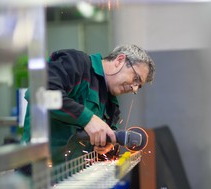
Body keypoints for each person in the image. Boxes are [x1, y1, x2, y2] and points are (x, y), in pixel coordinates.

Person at [22, 44, 155, 166]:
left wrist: (105, 147)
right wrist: (88, 119)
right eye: (136, 79)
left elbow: (100, 153)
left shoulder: (112, 105)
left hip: (72, 179)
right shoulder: (77, 64)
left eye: (139, 86)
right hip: (37, 172)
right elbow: (39, 94)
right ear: (119, 60)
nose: (135, 88)